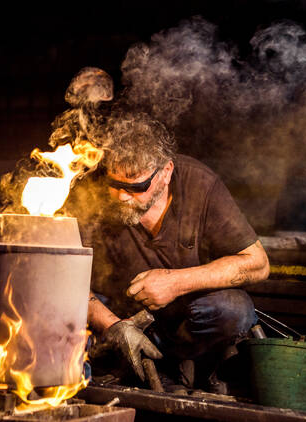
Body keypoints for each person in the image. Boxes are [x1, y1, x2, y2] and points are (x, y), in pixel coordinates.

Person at [82, 112, 270, 393]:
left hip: (186, 321)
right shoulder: (89, 193)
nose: (122, 196)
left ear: (166, 172)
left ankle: (180, 365)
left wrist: (175, 282)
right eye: (115, 185)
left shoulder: (200, 185)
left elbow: (258, 265)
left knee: (232, 308)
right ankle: (126, 363)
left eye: (136, 186)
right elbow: (65, 280)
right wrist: (114, 327)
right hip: (119, 318)